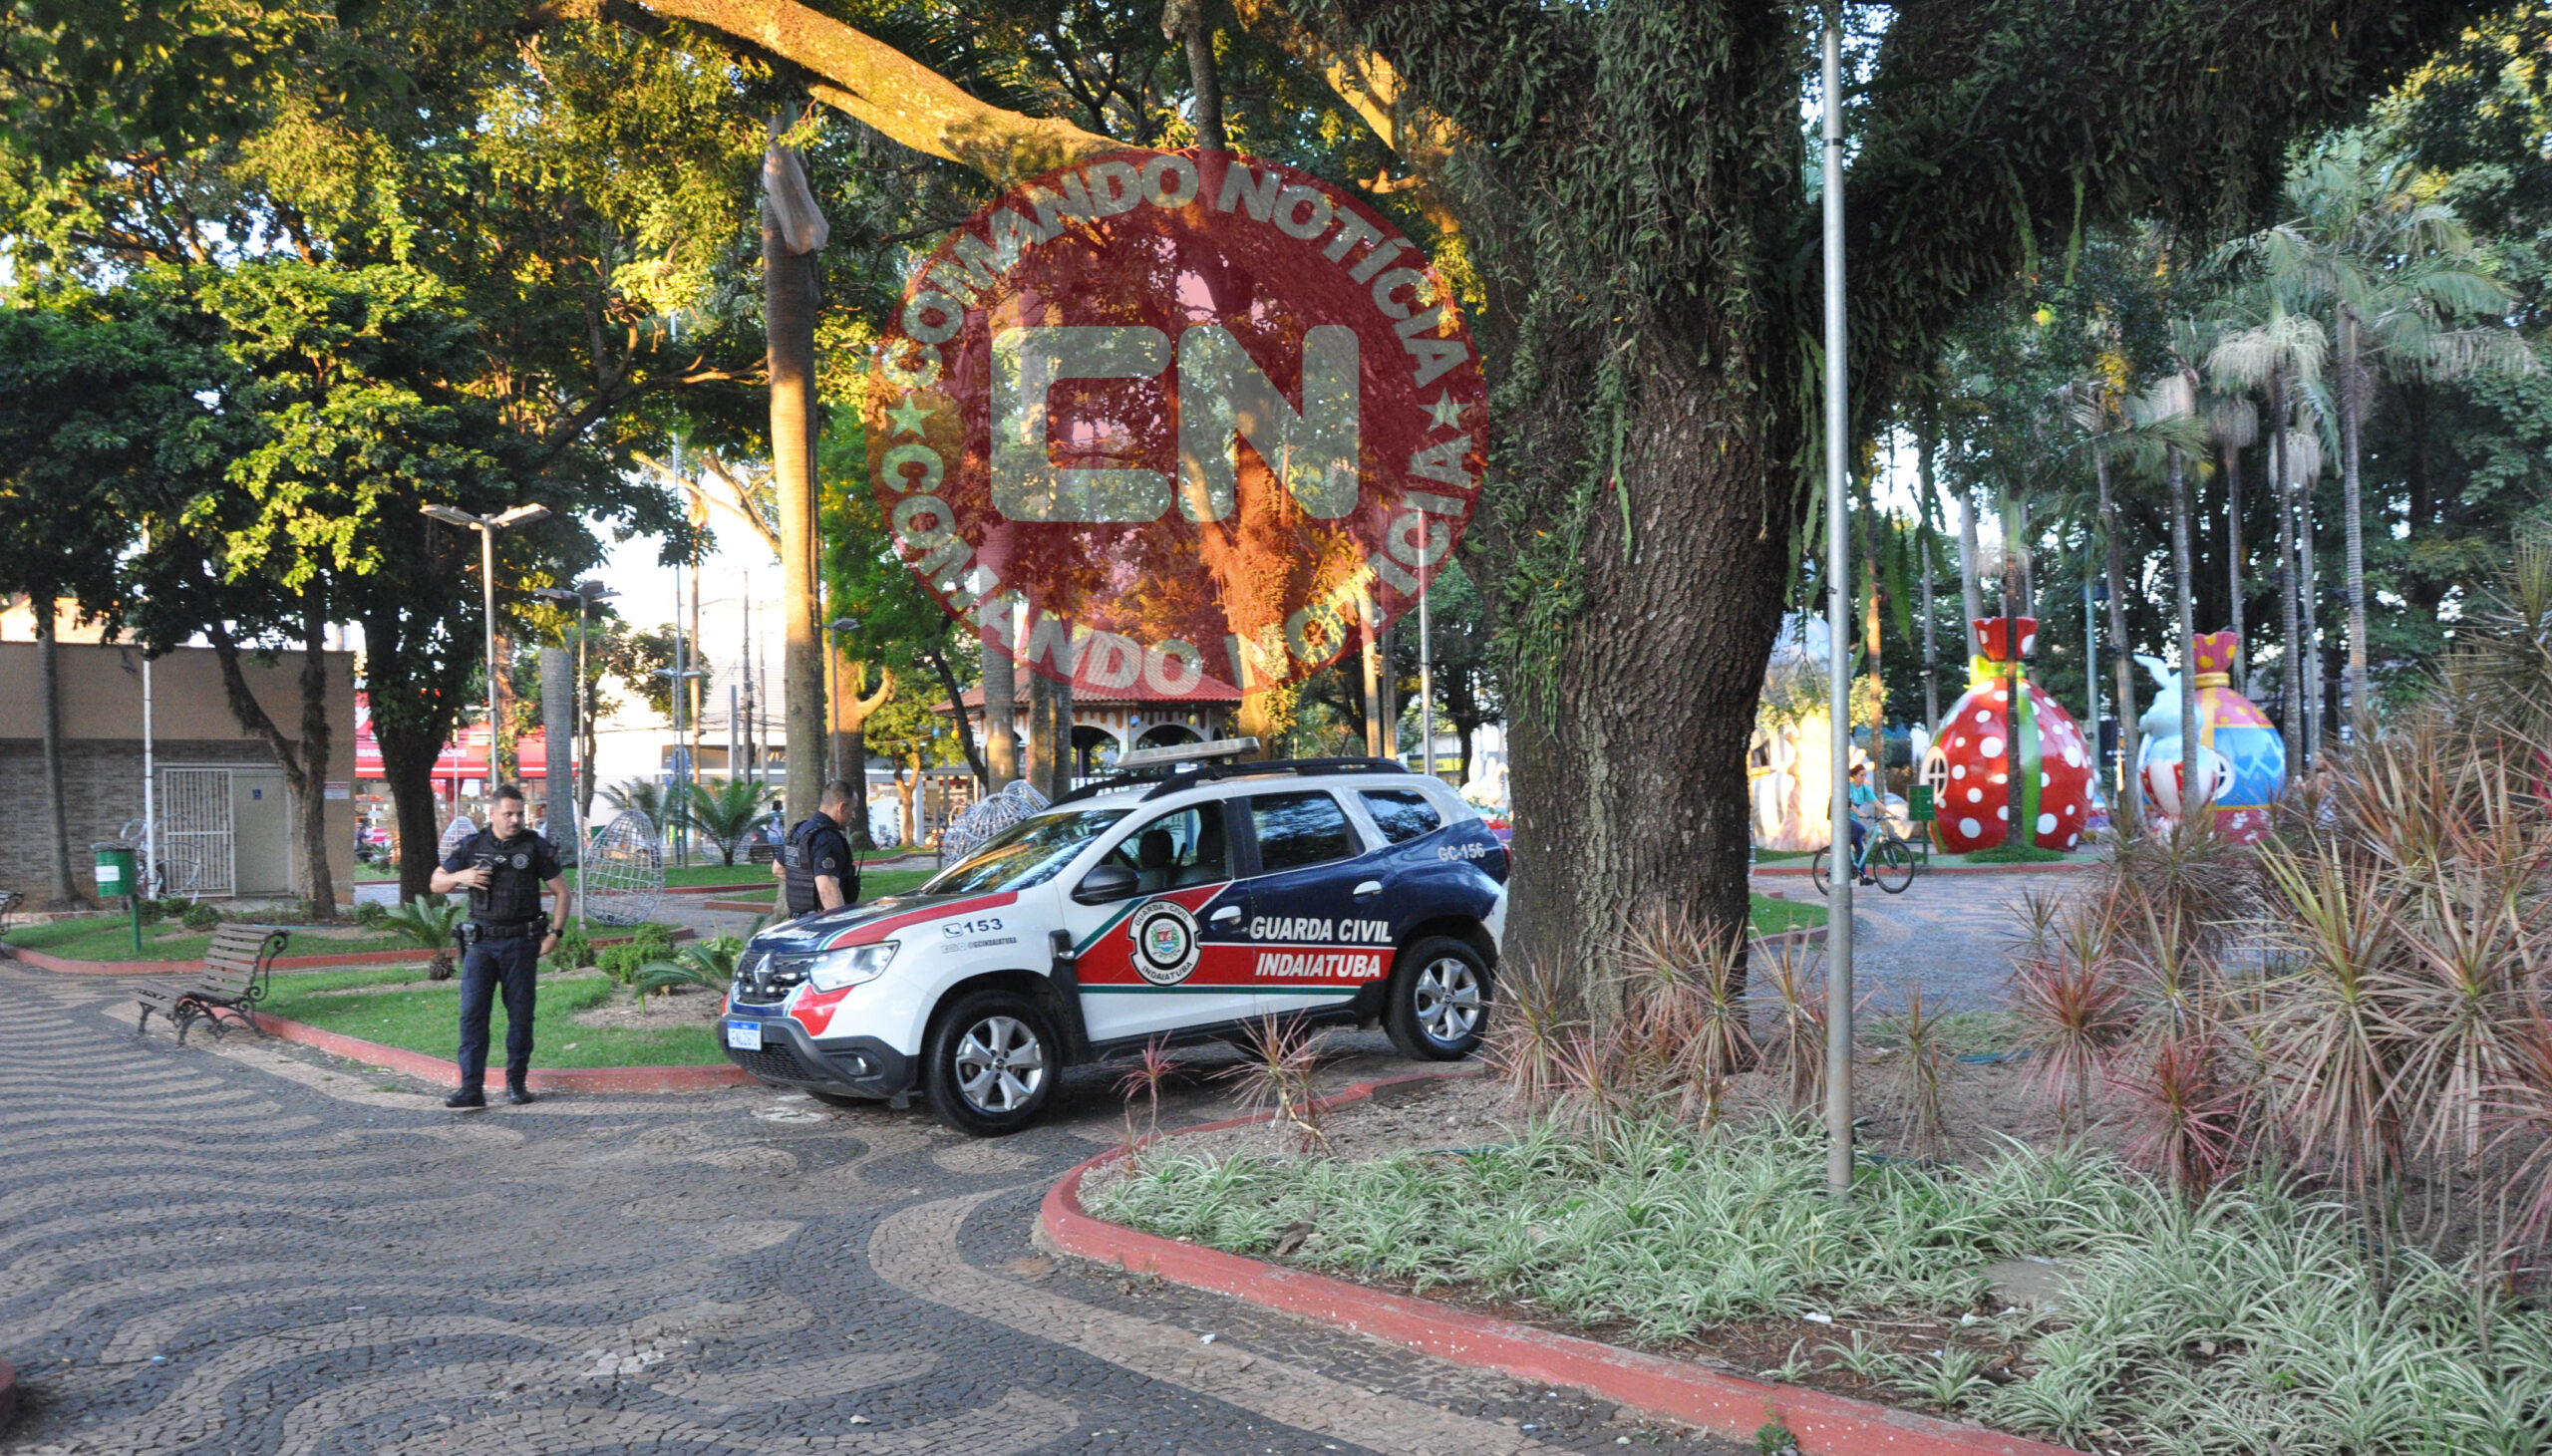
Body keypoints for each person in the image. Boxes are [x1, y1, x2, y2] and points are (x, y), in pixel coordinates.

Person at [431, 783, 567, 1109]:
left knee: (520, 1018)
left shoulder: (535, 848)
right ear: (492, 814)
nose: (516, 819)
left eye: (520, 813)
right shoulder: (472, 846)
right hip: (481, 945)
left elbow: (563, 892)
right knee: (473, 1016)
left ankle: (516, 1084)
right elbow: (436, 882)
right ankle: (471, 1088)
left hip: (521, 943)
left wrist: (555, 935)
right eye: (508, 813)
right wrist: (461, 875)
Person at [775, 779, 861, 917]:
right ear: (842, 807)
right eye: (853, 809)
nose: (854, 815)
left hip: (797, 922)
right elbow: (827, 887)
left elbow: (778, 869)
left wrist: (809, 890)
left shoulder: (799, 831)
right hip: (821, 924)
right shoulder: (828, 839)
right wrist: (842, 923)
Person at [1847, 762, 1879, 886]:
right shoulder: (1849, 787)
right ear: (1854, 776)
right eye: (1861, 775)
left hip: (1853, 820)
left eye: (1865, 775)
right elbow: (1850, 805)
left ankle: (1863, 877)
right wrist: (1860, 813)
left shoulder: (1865, 789)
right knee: (1860, 829)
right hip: (1843, 819)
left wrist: (1890, 813)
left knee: (1861, 847)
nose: (1863, 778)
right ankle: (1845, 851)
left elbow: (1876, 802)